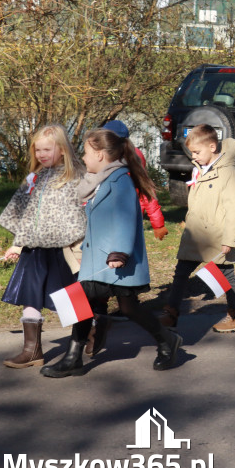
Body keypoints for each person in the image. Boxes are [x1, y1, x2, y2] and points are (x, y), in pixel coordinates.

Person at [40, 128, 181, 377]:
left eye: (86, 153)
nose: (83, 158)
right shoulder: (102, 180)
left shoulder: (120, 180)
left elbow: (126, 220)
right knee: (86, 302)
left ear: (101, 155)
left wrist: (119, 252)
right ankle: (73, 357)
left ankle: (166, 340)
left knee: (128, 308)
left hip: (115, 260)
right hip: (98, 259)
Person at [0, 124, 86, 369]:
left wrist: (80, 247)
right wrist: (17, 244)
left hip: (65, 250)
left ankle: (90, 331)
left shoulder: (75, 176)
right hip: (34, 250)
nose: (41, 154)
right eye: (37, 150)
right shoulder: (35, 178)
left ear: (62, 149)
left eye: (47, 149)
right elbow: (23, 213)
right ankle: (32, 350)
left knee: (72, 298)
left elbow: (80, 216)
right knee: (31, 295)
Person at [86, 119, 169, 357]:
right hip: (103, 237)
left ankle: (166, 339)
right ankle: (86, 340)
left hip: (122, 236)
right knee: (96, 293)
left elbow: (147, 196)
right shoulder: (101, 170)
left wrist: (158, 223)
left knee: (126, 303)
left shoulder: (125, 172)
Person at [160, 124, 235, 333]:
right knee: (181, 272)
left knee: (226, 274)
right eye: (192, 152)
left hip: (217, 236)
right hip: (196, 234)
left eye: (197, 152)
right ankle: (171, 314)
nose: (194, 156)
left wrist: (230, 239)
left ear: (212, 146)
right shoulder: (200, 169)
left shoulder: (228, 173)